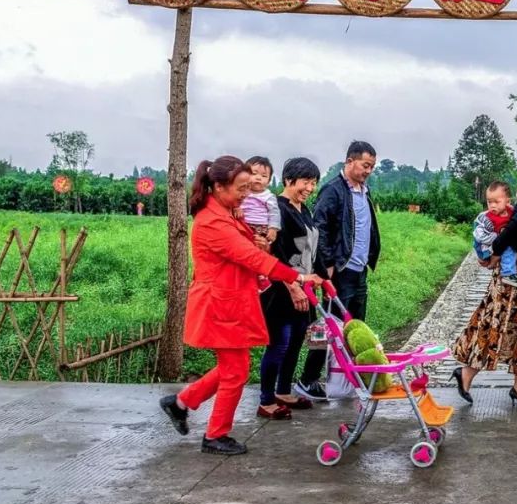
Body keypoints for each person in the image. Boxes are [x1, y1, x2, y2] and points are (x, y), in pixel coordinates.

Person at [159, 155, 323, 455]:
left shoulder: (227, 211)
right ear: (219, 186)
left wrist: (259, 243)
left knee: (231, 368)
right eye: (242, 188)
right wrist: (296, 277)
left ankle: (182, 402)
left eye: (250, 188)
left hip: (234, 299)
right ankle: (215, 435)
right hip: (220, 303)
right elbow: (251, 258)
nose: (247, 195)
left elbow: (251, 250)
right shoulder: (212, 222)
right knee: (235, 371)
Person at [451, 163, 517, 409]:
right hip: (514, 282)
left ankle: (513, 385)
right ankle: (475, 376)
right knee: (500, 324)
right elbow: (505, 237)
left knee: (515, 327)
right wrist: (493, 258)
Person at [294, 141, 381, 402]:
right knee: (329, 327)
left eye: (372, 167)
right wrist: (327, 264)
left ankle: (353, 378)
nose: (368, 171)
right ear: (350, 161)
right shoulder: (333, 190)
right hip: (339, 271)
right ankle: (308, 379)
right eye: (365, 165)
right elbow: (320, 228)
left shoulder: (364, 190)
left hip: (359, 270)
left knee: (356, 329)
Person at [258, 157, 328, 419]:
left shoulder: (304, 210)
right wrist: (292, 285)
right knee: (280, 343)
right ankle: (266, 399)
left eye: (313, 183)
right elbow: (273, 254)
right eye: (306, 182)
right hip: (281, 289)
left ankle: (284, 390)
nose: (310, 188)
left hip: (305, 286)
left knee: (297, 340)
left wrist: (322, 278)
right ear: (289, 180)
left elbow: (312, 248)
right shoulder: (278, 209)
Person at [472, 181, 517, 287]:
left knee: (509, 246)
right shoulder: (487, 218)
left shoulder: (513, 212)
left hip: (500, 244)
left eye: (497, 202)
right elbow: (478, 236)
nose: (492, 206)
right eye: (489, 202)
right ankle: (508, 273)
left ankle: (506, 271)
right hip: (489, 245)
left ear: (507, 201)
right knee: (506, 246)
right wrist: (482, 254)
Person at [239, 156, 281, 249]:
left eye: (264, 176)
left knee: (258, 248)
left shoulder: (268, 196)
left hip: (261, 228)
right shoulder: (241, 192)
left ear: (269, 181)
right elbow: (233, 203)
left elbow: (274, 213)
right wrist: (236, 209)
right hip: (242, 225)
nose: (258, 178)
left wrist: (273, 228)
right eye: (254, 173)